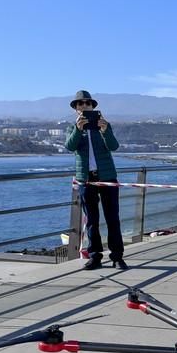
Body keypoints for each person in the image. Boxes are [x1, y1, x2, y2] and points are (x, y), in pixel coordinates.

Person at [66, 90, 126, 271]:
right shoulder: (72, 127)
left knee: (112, 218)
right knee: (91, 219)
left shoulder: (104, 126)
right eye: (80, 104)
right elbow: (70, 146)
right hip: (86, 178)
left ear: (93, 107)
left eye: (87, 103)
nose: (84, 106)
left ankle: (117, 257)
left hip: (107, 177)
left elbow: (114, 146)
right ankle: (95, 256)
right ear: (76, 109)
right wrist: (78, 129)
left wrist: (105, 131)